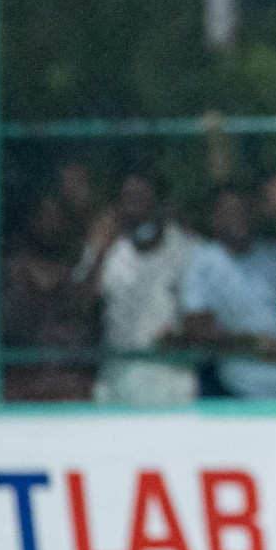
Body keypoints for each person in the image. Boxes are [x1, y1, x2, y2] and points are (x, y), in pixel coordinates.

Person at [181, 185, 276, 398]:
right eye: (229, 211)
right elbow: (196, 330)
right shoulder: (203, 261)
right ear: (214, 218)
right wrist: (251, 344)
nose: (238, 217)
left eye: (243, 209)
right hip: (235, 392)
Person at [94, 170, 201, 406]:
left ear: (161, 204)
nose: (136, 208)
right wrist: (99, 250)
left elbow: (207, 320)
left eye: (143, 198)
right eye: (129, 199)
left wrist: (183, 337)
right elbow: (84, 310)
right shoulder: (107, 251)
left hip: (173, 381)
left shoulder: (189, 250)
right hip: (117, 380)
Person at [2, 193, 110, 402]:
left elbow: (85, 317)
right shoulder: (11, 272)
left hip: (70, 390)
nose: (50, 224)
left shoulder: (77, 270)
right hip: (22, 391)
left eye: (56, 217)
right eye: (44, 216)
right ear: (32, 220)